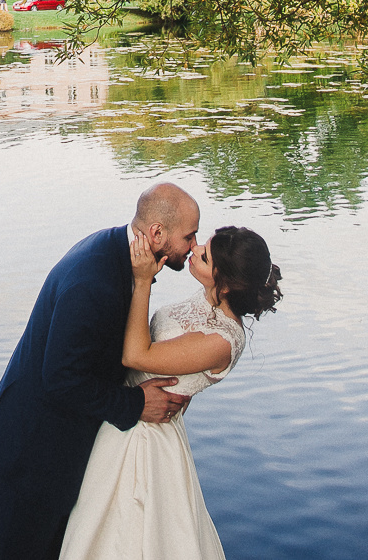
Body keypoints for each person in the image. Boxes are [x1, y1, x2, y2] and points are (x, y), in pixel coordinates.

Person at [0, 184, 203, 560]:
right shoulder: (94, 281)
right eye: (189, 235)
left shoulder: (116, 251)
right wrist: (135, 403)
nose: (194, 246)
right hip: (33, 450)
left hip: (52, 443)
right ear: (157, 233)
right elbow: (61, 378)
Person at [60, 224, 283, 559]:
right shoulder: (208, 299)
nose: (195, 250)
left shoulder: (222, 340)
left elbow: (135, 355)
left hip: (145, 438)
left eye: (205, 255)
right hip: (129, 413)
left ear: (224, 285)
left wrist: (141, 281)